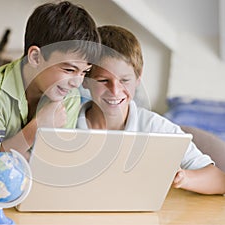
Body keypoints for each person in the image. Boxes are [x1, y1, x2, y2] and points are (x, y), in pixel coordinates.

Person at [0, 1, 100, 171]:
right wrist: (36, 127)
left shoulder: (70, 96)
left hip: (25, 183)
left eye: (84, 72)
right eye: (69, 69)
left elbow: (51, 162)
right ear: (36, 57)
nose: (77, 82)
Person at [77, 25, 225, 195]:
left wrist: (183, 178)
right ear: (85, 80)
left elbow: (219, 180)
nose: (115, 91)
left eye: (124, 80)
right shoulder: (67, 124)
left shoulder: (154, 127)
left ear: (138, 79)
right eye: (103, 80)